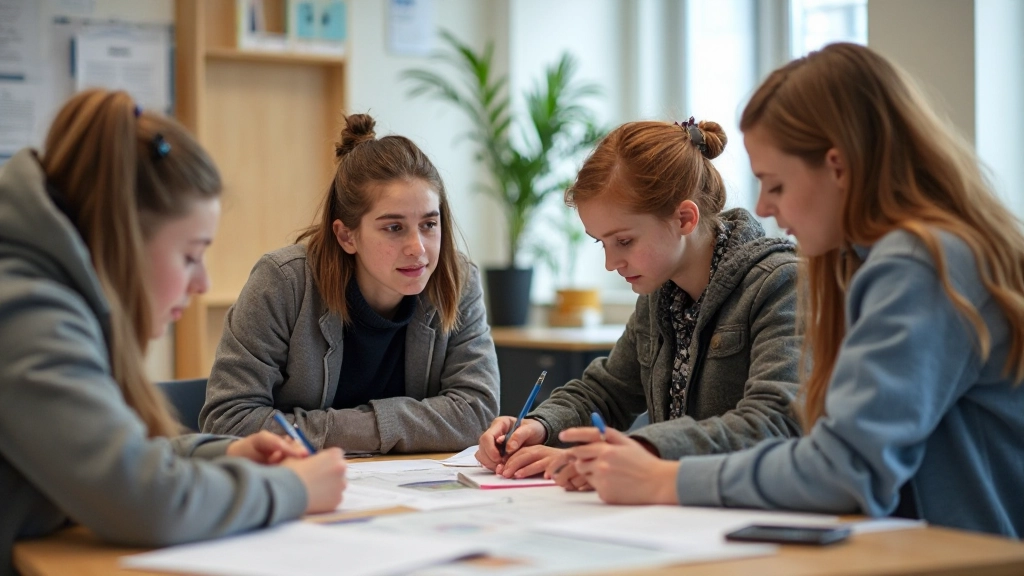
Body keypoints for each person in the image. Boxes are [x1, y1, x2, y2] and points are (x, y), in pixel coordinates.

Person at [559, 43, 1024, 538]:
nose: (763, 204)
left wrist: (666, 477)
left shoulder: (919, 266)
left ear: (838, 167)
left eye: (775, 185)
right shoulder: (871, 262)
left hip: (966, 555)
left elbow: (844, 470)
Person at [0, 89, 348, 576]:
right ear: (122, 235)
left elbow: (119, 455)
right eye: (189, 255)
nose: (202, 282)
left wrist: (229, 451)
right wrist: (295, 490)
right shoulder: (27, 311)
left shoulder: (45, 290)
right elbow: (143, 498)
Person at [476, 117, 804, 488]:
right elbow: (607, 392)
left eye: (625, 241)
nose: (611, 263)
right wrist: (539, 425)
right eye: (602, 242)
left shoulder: (780, 284)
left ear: (684, 218)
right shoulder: (660, 293)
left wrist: (636, 451)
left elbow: (773, 421)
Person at [200, 113, 500, 454]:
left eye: (429, 224)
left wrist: (337, 429)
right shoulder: (283, 282)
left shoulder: (457, 280)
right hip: (304, 487)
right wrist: (386, 428)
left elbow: (476, 412)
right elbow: (230, 420)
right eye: (394, 227)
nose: (417, 248)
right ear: (346, 235)